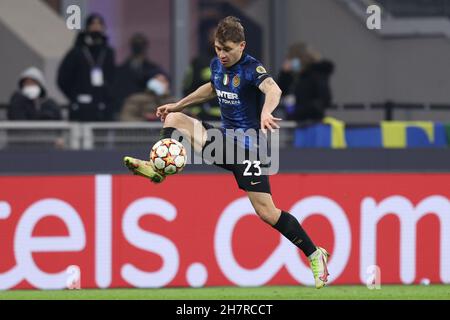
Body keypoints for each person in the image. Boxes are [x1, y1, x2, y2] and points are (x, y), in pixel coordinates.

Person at [123, 16, 329, 289]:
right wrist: (177, 104)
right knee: (174, 119)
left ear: (241, 46)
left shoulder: (251, 68)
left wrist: (267, 111)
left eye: (228, 49)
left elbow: (273, 88)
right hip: (223, 143)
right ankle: (157, 169)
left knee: (267, 213)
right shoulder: (217, 65)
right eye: (218, 48)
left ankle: (315, 254)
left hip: (250, 150)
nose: (222, 54)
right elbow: (210, 89)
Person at [57, 13, 115, 122]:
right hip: (80, 106)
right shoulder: (77, 52)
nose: (96, 27)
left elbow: (112, 78)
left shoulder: (108, 53)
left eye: (99, 24)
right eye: (93, 24)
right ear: (87, 27)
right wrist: (74, 97)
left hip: (101, 107)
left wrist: (107, 96)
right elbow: (63, 79)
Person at [113, 33, 168, 120]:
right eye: (136, 45)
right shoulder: (122, 70)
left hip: (149, 107)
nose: (138, 47)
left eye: (140, 44)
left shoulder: (152, 69)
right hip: (129, 106)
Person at [277, 42, 334, 122]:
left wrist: (304, 109)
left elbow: (325, 99)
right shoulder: (292, 76)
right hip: (294, 121)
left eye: (292, 59)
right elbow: (279, 92)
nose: (291, 63)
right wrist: (284, 74)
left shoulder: (316, 74)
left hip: (312, 121)